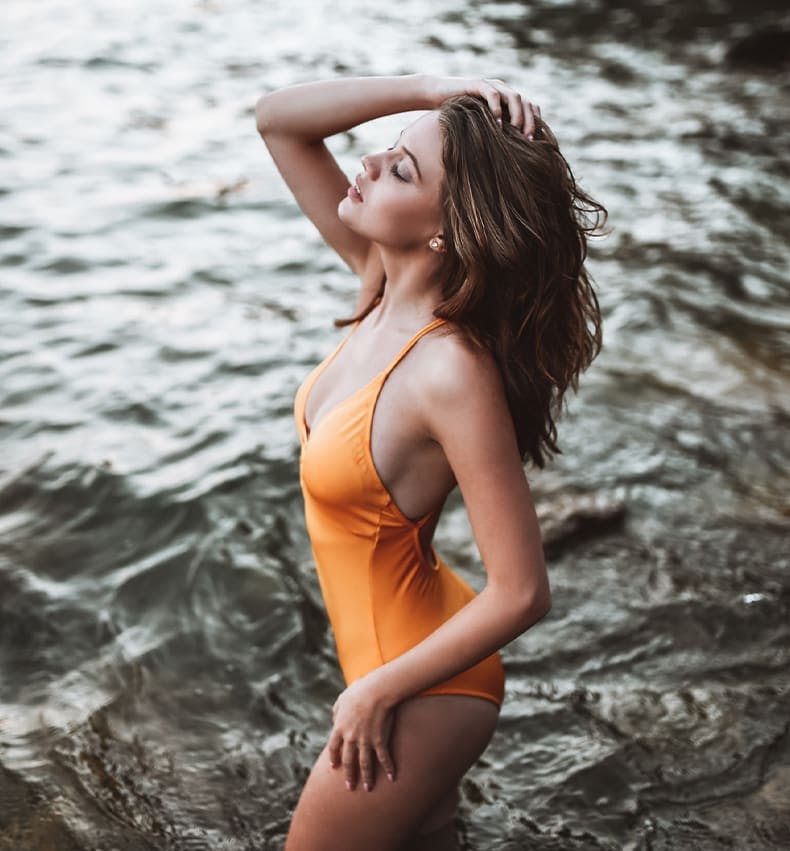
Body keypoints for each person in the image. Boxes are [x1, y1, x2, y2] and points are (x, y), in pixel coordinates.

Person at [255, 73, 606, 851]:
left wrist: (375, 689)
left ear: (446, 231)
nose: (372, 163)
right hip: (399, 661)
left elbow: (522, 590)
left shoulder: (450, 371)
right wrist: (439, 88)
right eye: (391, 150)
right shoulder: (380, 285)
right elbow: (279, 121)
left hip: (425, 686)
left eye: (404, 170)